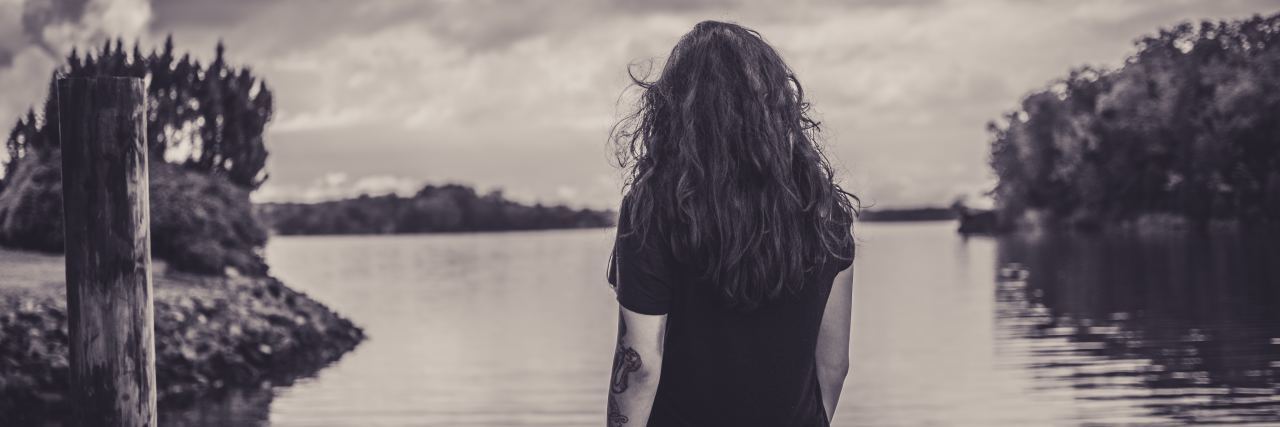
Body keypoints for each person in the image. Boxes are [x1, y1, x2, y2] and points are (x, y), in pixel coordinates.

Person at [605, 20, 858, 427]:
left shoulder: (653, 208)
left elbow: (640, 365)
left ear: (674, 111)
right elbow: (834, 364)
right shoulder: (824, 210)